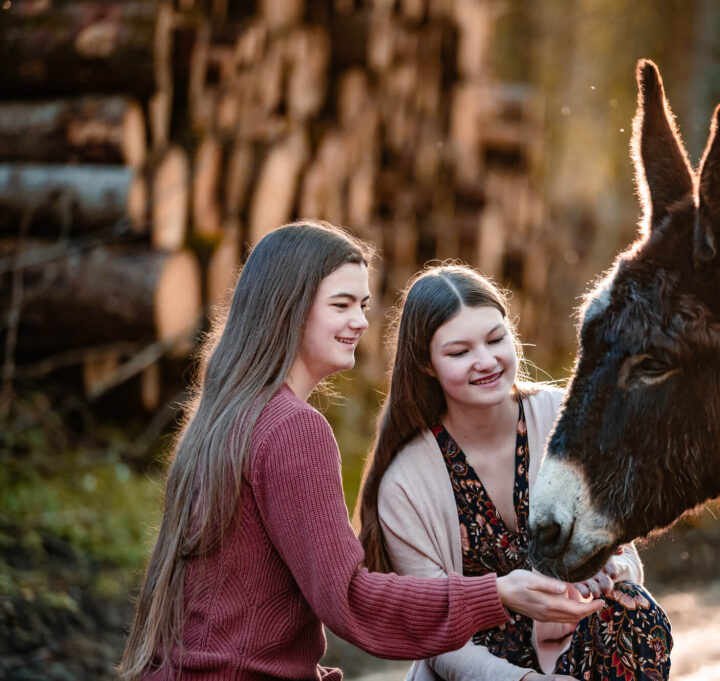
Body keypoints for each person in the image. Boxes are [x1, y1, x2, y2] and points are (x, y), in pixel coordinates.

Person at [118, 222, 605, 681]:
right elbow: (350, 599)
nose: (359, 322)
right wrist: (498, 592)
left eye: (364, 305)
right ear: (290, 306)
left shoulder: (225, 416)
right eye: (342, 304)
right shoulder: (291, 430)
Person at [357, 264, 672, 681]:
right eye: (459, 352)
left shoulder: (567, 418)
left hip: (577, 641)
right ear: (427, 364)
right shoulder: (405, 483)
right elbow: (435, 632)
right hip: (475, 670)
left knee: (635, 612)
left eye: (495, 339)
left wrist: (605, 571)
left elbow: (625, 556)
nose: (485, 361)